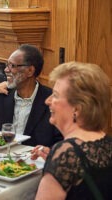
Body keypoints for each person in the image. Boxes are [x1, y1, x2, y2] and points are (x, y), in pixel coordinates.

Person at [34, 62, 112, 199]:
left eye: (55, 95)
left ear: (77, 108)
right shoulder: (107, 144)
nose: (47, 101)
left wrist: (59, 161)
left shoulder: (66, 153)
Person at [0, 44, 62, 147]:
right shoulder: (0, 96)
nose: (6, 70)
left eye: (12, 66)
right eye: (7, 65)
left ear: (30, 71)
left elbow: (60, 142)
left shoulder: (51, 101)